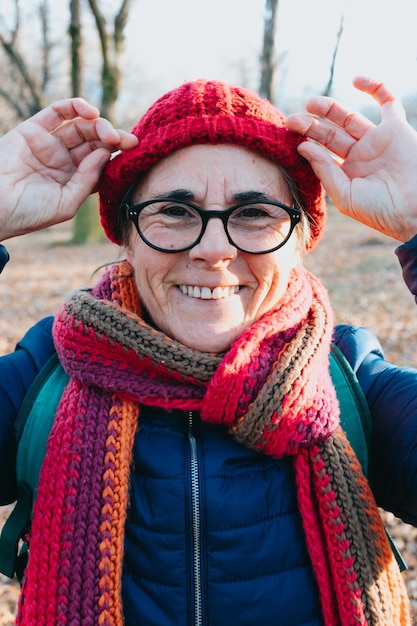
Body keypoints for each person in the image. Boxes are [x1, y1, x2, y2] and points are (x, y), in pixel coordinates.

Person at [0, 78, 416, 626]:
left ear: (299, 239)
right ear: (126, 233)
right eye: (174, 211)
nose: (213, 249)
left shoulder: (352, 383)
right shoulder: (45, 378)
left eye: (254, 213)